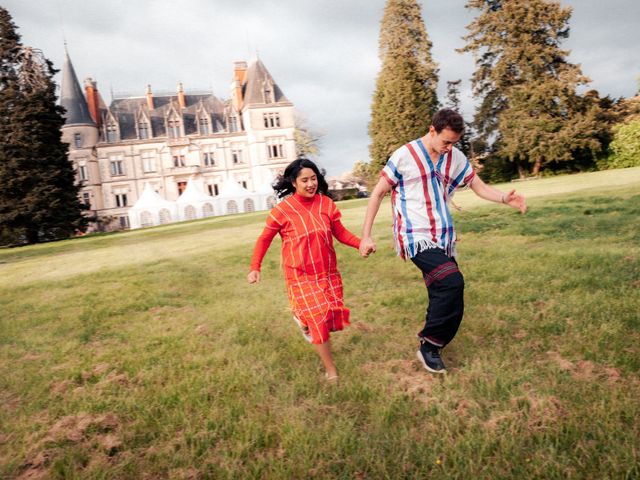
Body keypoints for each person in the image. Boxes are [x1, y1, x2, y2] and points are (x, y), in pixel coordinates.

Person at [359, 109, 527, 374]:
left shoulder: (455, 157)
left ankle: (432, 345)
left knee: (447, 292)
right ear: (432, 130)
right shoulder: (405, 156)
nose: (449, 148)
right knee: (452, 281)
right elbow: (378, 193)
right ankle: (429, 345)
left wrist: (506, 198)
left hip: (444, 235)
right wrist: (366, 235)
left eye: (454, 143)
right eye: (445, 142)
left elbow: (478, 186)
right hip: (414, 235)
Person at [248, 158, 361, 382]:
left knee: (333, 322)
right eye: (304, 180)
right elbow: (264, 240)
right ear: (293, 182)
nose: (310, 184)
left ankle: (303, 320)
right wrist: (255, 267)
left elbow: (341, 233)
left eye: (313, 179)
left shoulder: (326, 204)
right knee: (318, 321)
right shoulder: (282, 211)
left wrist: (361, 244)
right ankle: (331, 372)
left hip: (328, 273)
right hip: (300, 276)